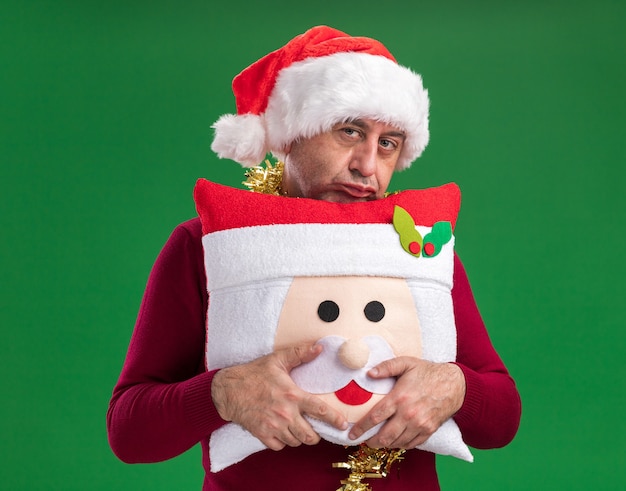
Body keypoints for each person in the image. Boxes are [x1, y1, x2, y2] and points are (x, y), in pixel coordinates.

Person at [107, 25, 521, 490]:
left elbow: (502, 418)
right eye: (350, 131)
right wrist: (221, 394)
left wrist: (456, 387)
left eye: (388, 143)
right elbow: (129, 431)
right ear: (292, 134)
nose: (367, 165)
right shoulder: (205, 244)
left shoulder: (418, 249)